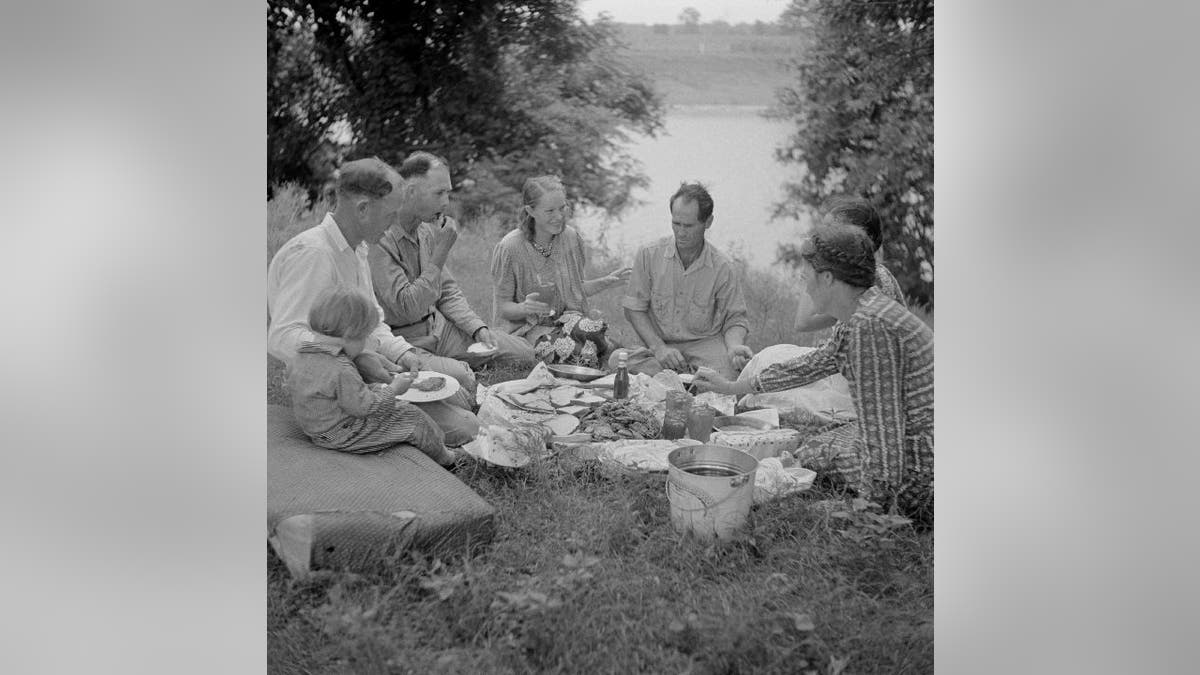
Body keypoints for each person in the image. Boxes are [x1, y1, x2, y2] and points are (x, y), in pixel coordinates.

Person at [692, 222, 933, 524]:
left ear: (828, 278)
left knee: (813, 455)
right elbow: (811, 365)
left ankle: (883, 509)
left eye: (807, 274)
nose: (803, 283)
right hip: (918, 443)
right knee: (811, 450)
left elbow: (884, 437)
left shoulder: (869, 330)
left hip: (925, 468)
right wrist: (731, 387)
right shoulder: (865, 312)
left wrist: (867, 512)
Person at [267, 156, 479, 447]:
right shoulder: (313, 254)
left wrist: (403, 354)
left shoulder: (359, 249)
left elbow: (374, 323)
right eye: (391, 214)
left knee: (461, 397)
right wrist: (354, 355)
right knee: (467, 427)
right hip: (332, 389)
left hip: (363, 372)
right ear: (363, 209)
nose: (395, 223)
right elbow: (282, 338)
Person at [370, 151, 535, 383]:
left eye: (448, 192)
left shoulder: (426, 229)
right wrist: (440, 252)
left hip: (439, 328)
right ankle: (450, 367)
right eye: (439, 193)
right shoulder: (380, 238)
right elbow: (408, 307)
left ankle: (456, 360)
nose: (446, 202)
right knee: (463, 378)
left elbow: (447, 291)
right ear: (410, 192)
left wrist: (477, 328)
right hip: (405, 341)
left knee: (525, 352)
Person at [286, 286, 458, 466]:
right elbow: (366, 407)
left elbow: (325, 393)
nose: (364, 345)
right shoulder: (340, 368)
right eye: (364, 338)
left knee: (381, 394)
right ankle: (447, 458)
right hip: (340, 434)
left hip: (316, 428)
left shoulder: (298, 356)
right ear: (350, 335)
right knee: (411, 416)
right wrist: (394, 389)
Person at [489, 175, 631, 367]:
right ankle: (600, 353)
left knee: (591, 328)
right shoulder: (510, 247)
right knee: (573, 352)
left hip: (566, 320)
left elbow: (577, 289)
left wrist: (608, 280)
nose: (558, 216)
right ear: (530, 210)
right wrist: (524, 308)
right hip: (528, 330)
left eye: (562, 208)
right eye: (550, 211)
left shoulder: (571, 238)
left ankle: (604, 351)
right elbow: (503, 307)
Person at [618, 182, 752, 379]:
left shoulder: (723, 267)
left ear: (708, 222)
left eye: (688, 226)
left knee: (733, 374)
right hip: (660, 346)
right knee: (617, 361)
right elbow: (634, 309)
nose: (680, 232)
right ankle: (689, 381)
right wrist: (659, 348)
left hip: (704, 346)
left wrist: (734, 347)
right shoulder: (648, 254)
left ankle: (680, 379)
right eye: (676, 224)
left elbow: (736, 318)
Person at [794, 196, 906, 333]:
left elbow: (804, 323)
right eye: (825, 227)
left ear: (858, 238)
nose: (823, 235)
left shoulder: (868, 281)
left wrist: (814, 262)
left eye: (832, 229)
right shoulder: (859, 274)